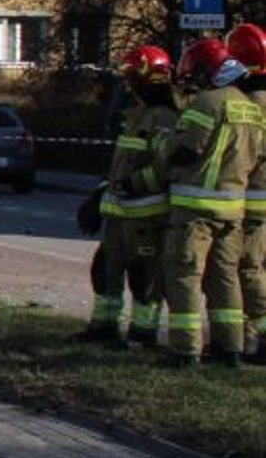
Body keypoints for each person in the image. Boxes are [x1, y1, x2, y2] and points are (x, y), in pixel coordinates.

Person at [162, 38, 263, 367]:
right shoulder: (250, 107)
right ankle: (230, 348)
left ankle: (185, 351)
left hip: (196, 210)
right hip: (233, 210)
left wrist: (166, 145)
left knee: (185, 275)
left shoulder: (207, 103)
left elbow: (184, 151)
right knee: (225, 277)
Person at [73, 45, 178, 345]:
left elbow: (164, 168)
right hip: (120, 214)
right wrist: (100, 196)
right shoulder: (136, 115)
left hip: (147, 216)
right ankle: (104, 327)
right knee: (105, 269)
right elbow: (120, 167)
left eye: (130, 79)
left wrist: (134, 184)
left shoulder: (164, 119)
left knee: (145, 278)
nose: (127, 86)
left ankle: (143, 333)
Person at [224, 24, 266, 364]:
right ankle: (247, 337)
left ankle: (257, 336)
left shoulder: (251, 104)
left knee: (247, 267)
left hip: (254, 199)